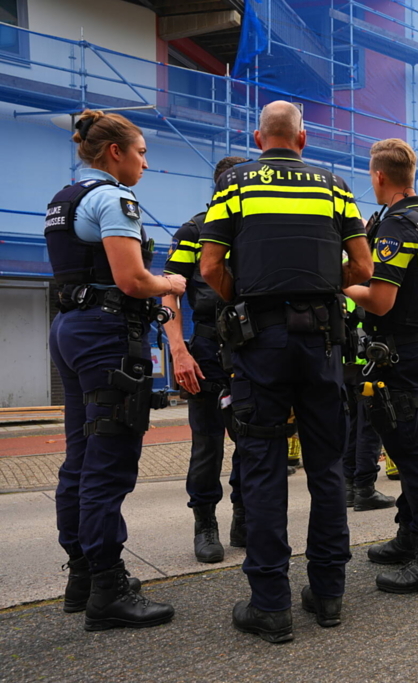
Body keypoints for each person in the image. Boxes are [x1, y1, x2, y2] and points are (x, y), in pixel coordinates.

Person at [200, 101, 373, 643]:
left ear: (258, 138)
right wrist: (321, 284)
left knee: (264, 466)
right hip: (322, 340)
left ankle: (270, 603)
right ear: (302, 139)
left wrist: (249, 302)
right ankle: (328, 595)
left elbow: (209, 267)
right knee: (325, 468)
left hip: (260, 344)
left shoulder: (235, 184)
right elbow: (364, 268)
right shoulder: (333, 185)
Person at [46, 109, 181, 631]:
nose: (146, 162)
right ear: (114, 153)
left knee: (80, 457)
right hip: (105, 337)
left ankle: (82, 577)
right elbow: (131, 280)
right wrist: (169, 283)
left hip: (70, 328)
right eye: (142, 152)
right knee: (109, 460)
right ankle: (107, 588)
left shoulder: (64, 199)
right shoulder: (114, 199)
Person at [343, 137, 418, 594]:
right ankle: (409, 536)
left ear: (379, 176)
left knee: (412, 456)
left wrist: (337, 287)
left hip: (400, 353)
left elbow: (382, 301)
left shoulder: (397, 228)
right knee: (412, 449)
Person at [162, 156, 248, 564]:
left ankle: (244, 517)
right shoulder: (194, 230)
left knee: (253, 440)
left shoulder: (255, 231)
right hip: (208, 350)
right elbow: (170, 292)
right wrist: (178, 351)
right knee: (208, 444)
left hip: (250, 348)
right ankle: (205, 524)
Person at [342, 295, 394, 511]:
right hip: (367, 363)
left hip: (344, 364)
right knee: (370, 427)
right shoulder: (366, 282)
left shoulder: (337, 279)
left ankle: (348, 488)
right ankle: (364, 488)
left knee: (350, 426)